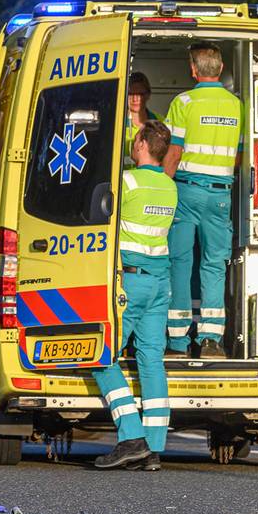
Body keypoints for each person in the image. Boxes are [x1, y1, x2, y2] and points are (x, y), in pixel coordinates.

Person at [93, 120, 177, 471]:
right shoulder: (170, 187)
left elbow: (99, 217)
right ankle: (154, 448)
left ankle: (131, 437)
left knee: (102, 356)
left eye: (135, 138)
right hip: (160, 283)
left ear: (142, 143)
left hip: (131, 283)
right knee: (151, 361)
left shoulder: (126, 181)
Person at [162, 43, 243, 359]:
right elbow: (238, 156)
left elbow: (174, 150)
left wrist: (162, 185)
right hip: (220, 193)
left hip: (186, 191)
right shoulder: (236, 105)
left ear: (193, 70)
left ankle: (178, 343)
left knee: (180, 263)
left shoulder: (184, 102)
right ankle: (211, 340)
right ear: (220, 69)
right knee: (214, 266)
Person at [122, 72, 158, 168]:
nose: (135, 99)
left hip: (148, 179)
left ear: (148, 95)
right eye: (131, 94)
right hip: (124, 180)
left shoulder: (159, 122)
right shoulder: (117, 123)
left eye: (140, 94)